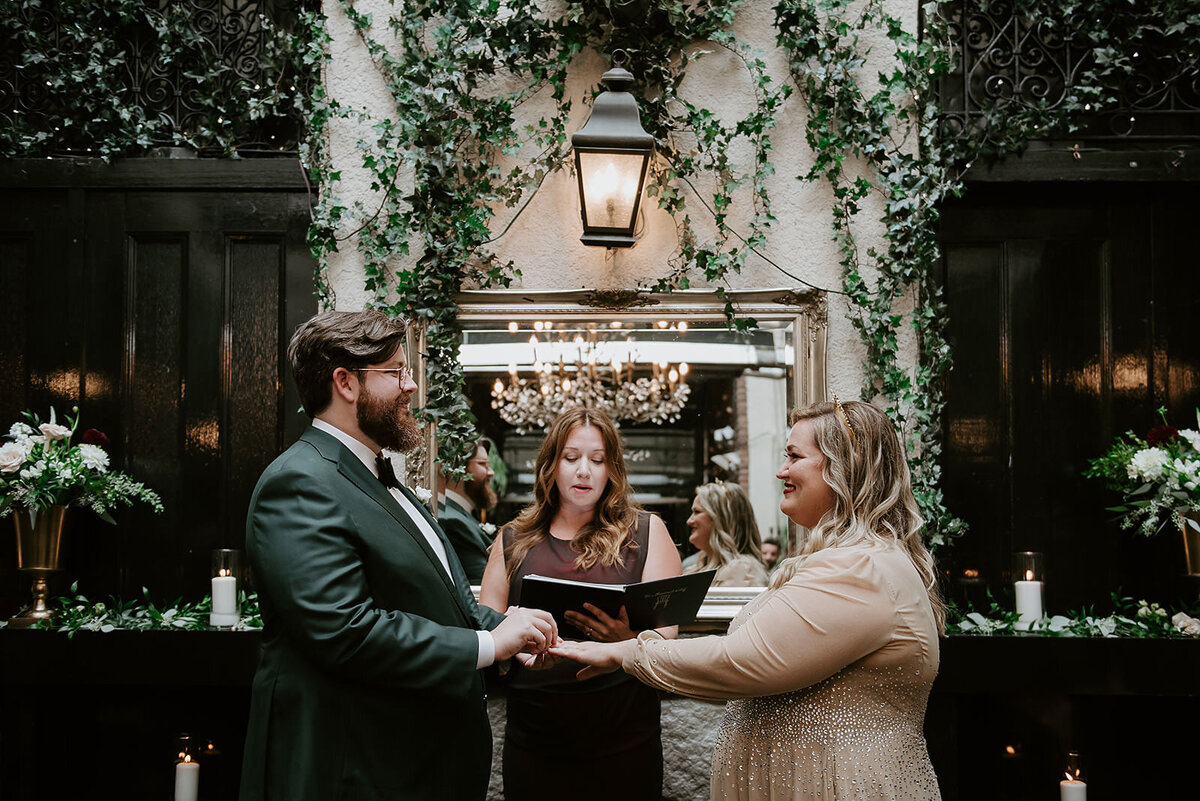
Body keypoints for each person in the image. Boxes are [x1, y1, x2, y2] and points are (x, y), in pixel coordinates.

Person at [554, 399, 945, 801]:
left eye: (794, 456)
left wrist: (628, 652)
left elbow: (740, 660)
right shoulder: (856, 561)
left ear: (844, 467)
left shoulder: (860, 569)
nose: (782, 470)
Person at [239, 310, 557, 801]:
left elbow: (444, 603)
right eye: (395, 372)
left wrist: (508, 631)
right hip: (357, 770)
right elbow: (347, 631)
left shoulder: (379, 478)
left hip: (414, 765)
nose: (410, 386)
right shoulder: (299, 482)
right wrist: (489, 647)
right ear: (345, 383)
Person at [479, 406, 683, 801]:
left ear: (613, 470)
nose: (584, 471)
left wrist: (626, 639)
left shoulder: (646, 532)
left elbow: (666, 635)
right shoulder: (512, 539)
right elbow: (488, 628)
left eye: (597, 460)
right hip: (536, 740)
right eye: (571, 458)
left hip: (623, 738)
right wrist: (521, 649)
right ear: (551, 466)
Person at [686, 481, 771, 586]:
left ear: (720, 519)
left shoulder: (741, 570)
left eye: (697, 512)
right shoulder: (694, 568)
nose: (689, 521)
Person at [437, 436, 498, 584]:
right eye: (483, 464)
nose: (491, 472)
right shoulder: (452, 521)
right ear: (450, 469)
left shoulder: (462, 515)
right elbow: (483, 582)